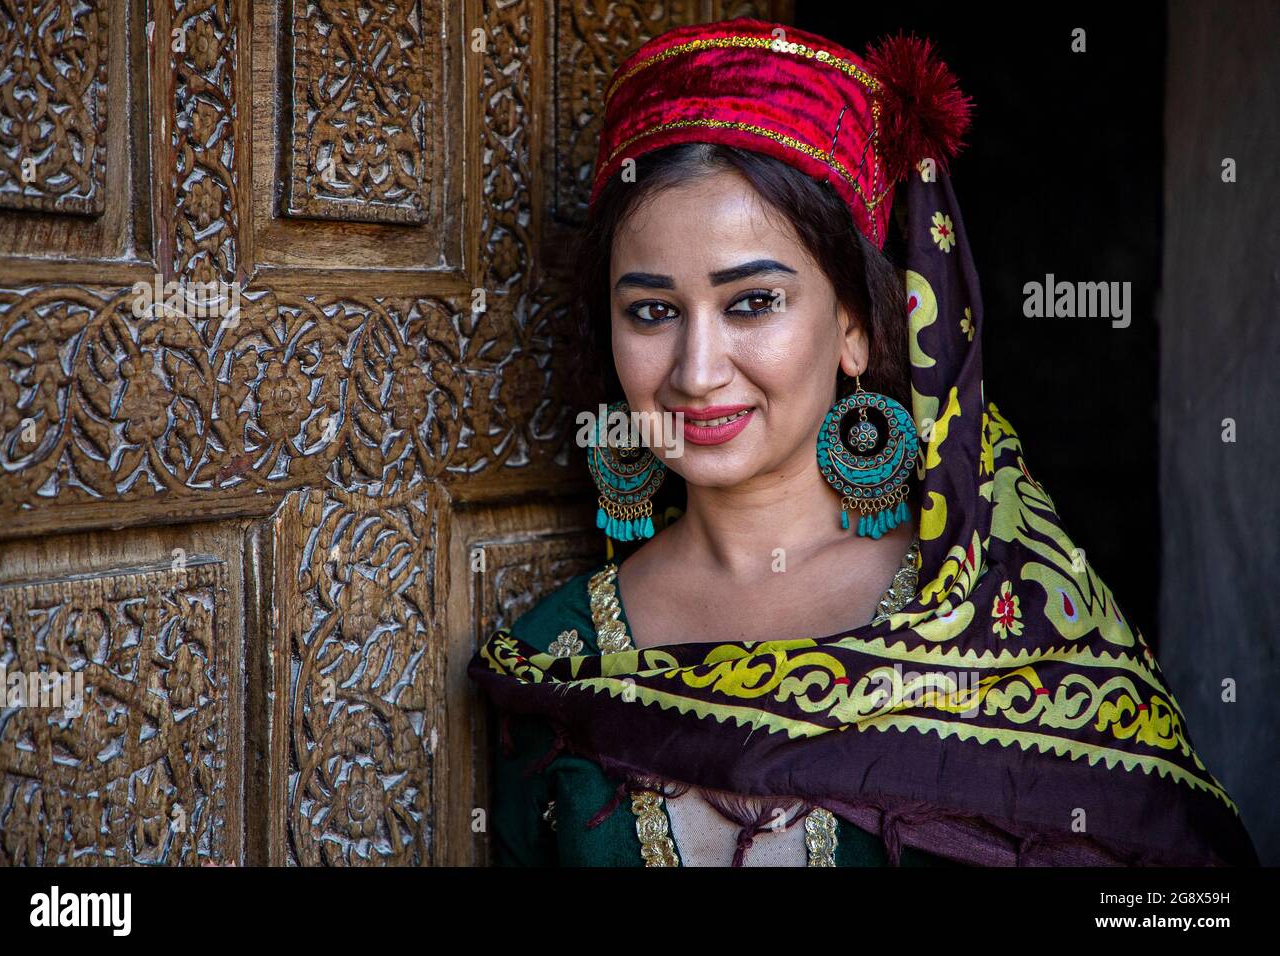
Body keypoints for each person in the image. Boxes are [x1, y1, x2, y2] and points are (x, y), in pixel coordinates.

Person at [467, 17, 1259, 867]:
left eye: (752, 303)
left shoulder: (987, 620)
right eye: (652, 312)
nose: (696, 372)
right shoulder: (559, 657)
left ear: (855, 330)